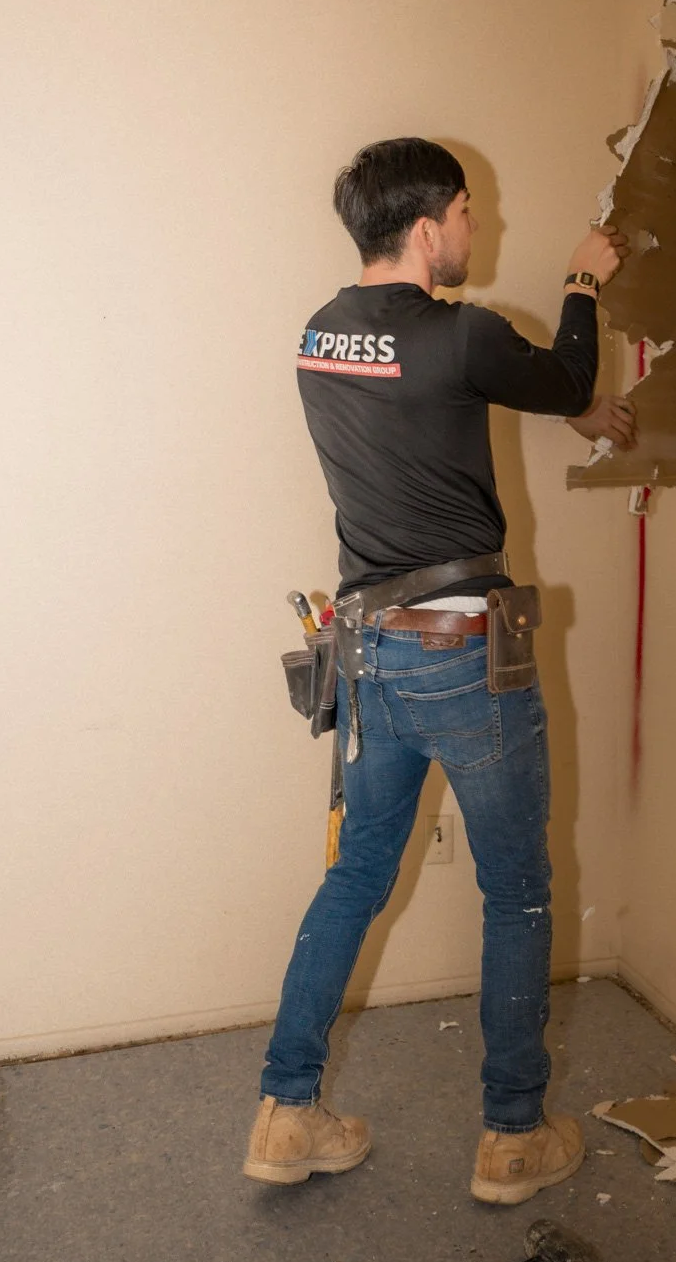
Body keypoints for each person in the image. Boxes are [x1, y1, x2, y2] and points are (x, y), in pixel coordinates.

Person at [244, 137, 634, 1203]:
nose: (473, 232)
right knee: (515, 892)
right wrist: (583, 278)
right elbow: (562, 377)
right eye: (466, 214)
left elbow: (472, 403)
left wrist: (574, 410)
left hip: (367, 651)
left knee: (354, 876)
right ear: (427, 226)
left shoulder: (317, 337)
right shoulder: (465, 334)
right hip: (466, 654)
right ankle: (512, 1135)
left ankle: (285, 1113)